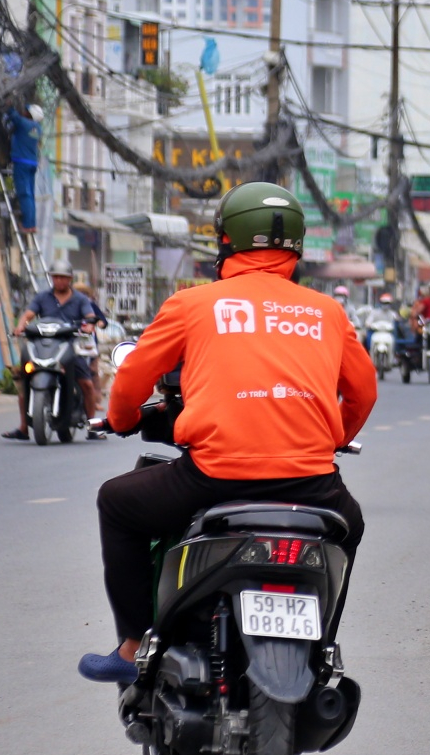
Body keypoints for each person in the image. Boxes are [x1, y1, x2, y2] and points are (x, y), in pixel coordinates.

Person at [80, 182, 377, 684]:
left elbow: (132, 379)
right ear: (297, 244)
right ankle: (321, 649)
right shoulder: (326, 312)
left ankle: (132, 648)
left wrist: (125, 420)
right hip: (313, 485)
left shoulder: (193, 304)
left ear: (225, 239)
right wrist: (328, 441)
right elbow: (363, 393)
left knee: (116, 501)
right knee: (349, 529)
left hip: (214, 479)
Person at [3, 260, 108, 442]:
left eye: (63, 277)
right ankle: (23, 428)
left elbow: (89, 317)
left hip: (69, 347)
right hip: (43, 345)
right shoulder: (42, 297)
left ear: (70, 279)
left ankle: (92, 428)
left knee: (87, 384)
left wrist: (89, 326)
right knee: (24, 382)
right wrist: (20, 326)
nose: (59, 280)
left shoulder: (80, 299)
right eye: (56, 277)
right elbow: (28, 315)